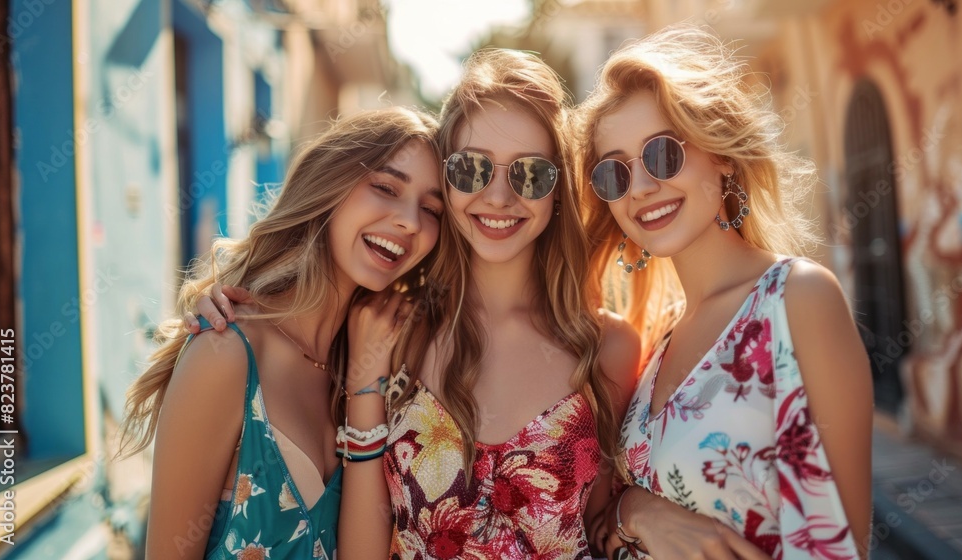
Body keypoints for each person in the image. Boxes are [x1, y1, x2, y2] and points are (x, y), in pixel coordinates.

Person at [194, 49, 641, 558]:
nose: (498, 197)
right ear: (446, 184)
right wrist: (232, 306)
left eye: (530, 174)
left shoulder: (610, 349)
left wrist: (644, 512)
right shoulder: (388, 330)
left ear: (558, 191)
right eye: (471, 169)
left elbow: (606, 528)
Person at [577, 25, 874, 559]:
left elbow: (837, 546)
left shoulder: (796, 301)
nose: (641, 187)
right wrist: (637, 510)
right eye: (614, 173)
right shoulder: (658, 341)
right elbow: (610, 522)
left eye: (662, 154)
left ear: (722, 156)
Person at [118, 107, 445, 559]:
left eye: (431, 209)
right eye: (386, 188)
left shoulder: (387, 358)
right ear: (330, 183)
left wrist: (367, 384)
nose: (410, 221)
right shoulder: (225, 353)